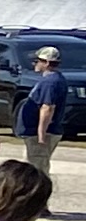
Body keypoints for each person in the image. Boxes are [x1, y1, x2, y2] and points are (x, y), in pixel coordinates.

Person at [19, 46, 79, 180]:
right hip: (37, 132)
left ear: (46, 63)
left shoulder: (50, 82)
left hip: (43, 133)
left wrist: (41, 134)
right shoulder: (53, 79)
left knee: (37, 169)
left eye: (38, 60)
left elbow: (48, 108)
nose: (35, 63)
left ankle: (37, 197)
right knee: (29, 166)